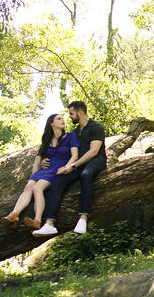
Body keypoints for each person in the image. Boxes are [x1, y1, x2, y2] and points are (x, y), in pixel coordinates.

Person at [32, 100, 106, 237]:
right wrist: (44, 162)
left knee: (86, 174)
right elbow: (60, 151)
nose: (69, 117)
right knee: (58, 181)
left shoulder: (96, 126)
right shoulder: (75, 132)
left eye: (71, 114)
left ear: (80, 112)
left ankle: (83, 219)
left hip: (96, 161)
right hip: (79, 163)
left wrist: (72, 166)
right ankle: (49, 224)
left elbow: (94, 152)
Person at [2, 114, 79, 230]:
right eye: (59, 118)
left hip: (58, 169)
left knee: (37, 188)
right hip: (45, 170)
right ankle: (14, 214)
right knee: (29, 187)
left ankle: (37, 220)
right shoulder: (46, 140)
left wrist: (67, 167)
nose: (63, 120)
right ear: (51, 123)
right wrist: (34, 175)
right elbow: (37, 163)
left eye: (63, 118)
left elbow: (75, 155)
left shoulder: (70, 136)